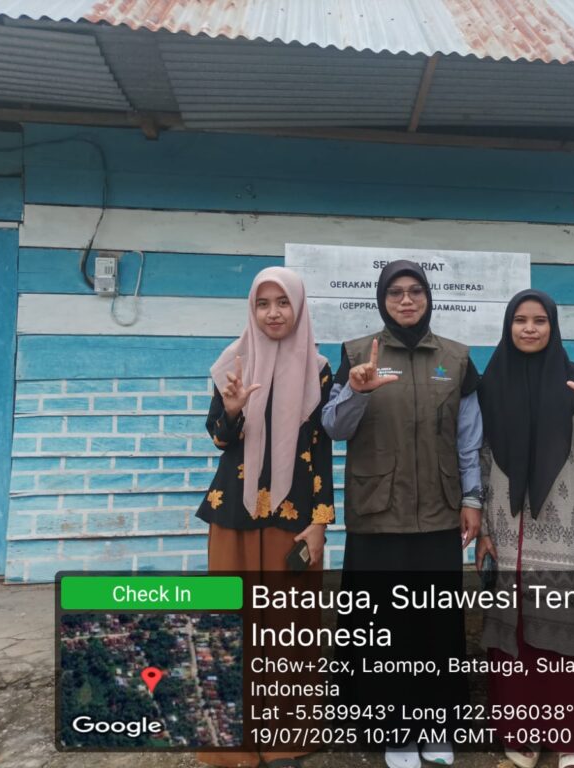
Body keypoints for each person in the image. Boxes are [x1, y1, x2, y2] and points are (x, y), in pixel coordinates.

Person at [322, 260, 483, 768]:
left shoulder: (456, 358)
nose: (407, 300)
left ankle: (435, 725)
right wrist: (356, 391)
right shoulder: (355, 354)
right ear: (382, 299)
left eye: (416, 291)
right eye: (396, 292)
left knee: (435, 625)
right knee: (384, 625)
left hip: (439, 510)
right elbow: (334, 428)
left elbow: (468, 438)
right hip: (378, 511)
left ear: (429, 297)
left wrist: (472, 499)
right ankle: (394, 728)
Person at [476, 289, 574, 768]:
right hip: (505, 528)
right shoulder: (489, 383)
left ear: (552, 326)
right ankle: (521, 732)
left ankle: (570, 739)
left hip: (563, 531)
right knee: (512, 634)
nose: (529, 328)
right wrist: (482, 527)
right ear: (508, 325)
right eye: (520, 319)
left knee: (563, 633)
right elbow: (478, 458)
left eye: (539, 320)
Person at [195, 266, 334, 768]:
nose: (273, 313)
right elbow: (219, 438)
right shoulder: (233, 361)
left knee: (288, 628)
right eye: (263, 303)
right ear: (252, 309)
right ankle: (232, 745)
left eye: (283, 302)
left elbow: (321, 450)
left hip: (292, 518)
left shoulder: (319, 369)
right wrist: (232, 410)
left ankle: (285, 740)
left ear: (299, 307)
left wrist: (320, 523)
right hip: (233, 512)